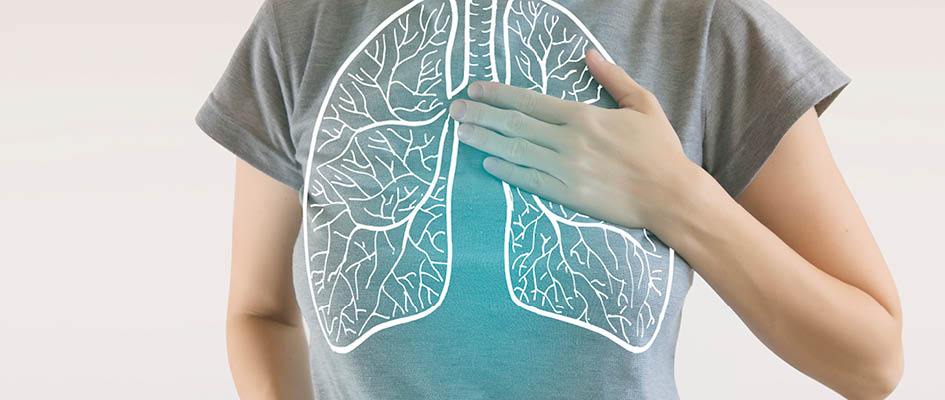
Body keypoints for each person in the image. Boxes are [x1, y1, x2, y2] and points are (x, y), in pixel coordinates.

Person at [194, 0, 903, 398]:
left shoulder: (700, 26)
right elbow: (259, 314)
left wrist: (679, 198)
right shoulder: (304, 26)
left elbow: (870, 359)